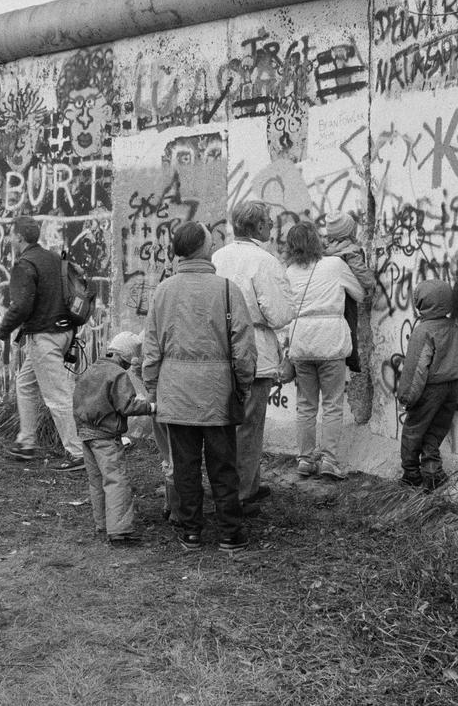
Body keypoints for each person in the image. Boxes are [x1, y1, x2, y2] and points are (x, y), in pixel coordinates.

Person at [143, 221, 255, 553]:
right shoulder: (226, 290)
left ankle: (190, 531)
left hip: (175, 391)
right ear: (204, 249)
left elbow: (151, 347)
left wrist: (152, 387)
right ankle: (230, 533)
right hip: (218, 392)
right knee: (224, 464)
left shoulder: (163, 291)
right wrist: (243, 384)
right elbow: (244, 347)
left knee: (185, 464)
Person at [212, 201, 294, 515]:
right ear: (258, 227)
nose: (271, 227)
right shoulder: (265, 261)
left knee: (223, 423)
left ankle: (243, 483)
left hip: (219, 348)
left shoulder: (217, 257)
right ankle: (242, 492)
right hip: (255, 348)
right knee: (249, 424)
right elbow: (279, 313)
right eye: (268, 222)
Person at [0, 215, 84, 471]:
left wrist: (2, 331)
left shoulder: (24, 264)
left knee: (57, 396)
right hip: (64, 334)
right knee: (25, 383)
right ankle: (26, 442)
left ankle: (77, 453)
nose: (11, 239)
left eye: (12, 235)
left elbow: (21, 306)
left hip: (45, 337)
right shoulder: (54, 258)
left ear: (19, 238)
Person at [282, 222, 364, 481]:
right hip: (331, 343)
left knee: (305, 405)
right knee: (332, 404)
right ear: (317, 241)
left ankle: (305, 459)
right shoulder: (334, 265)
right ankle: (328, 459)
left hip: (302, 344)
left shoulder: (289, 272)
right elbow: (360, 294)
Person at [73, 331, 156, 545]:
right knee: (116, 480)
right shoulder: (117, 375)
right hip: (106, 437)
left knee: (96, 481)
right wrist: (151, 407)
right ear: (126, 357)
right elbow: (126, 406)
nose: (130, 366)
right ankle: (120, 530)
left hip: (86, 435)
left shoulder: (91, 369)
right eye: (130, 361)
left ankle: (102, 523)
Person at [395, 279, 458, 490]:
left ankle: (411, 474)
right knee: (435, 430)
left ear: (421, 301)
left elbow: (416, 367)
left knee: (413, 429)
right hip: (452, 387)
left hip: (430, 388)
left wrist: (407, 397)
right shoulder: (454, 328)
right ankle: (433, 472)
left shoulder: (423, 331)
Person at [321, 214, 374, 373]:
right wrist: (371, 283)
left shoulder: (324, 249)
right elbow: (359, 270)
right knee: (350, 324)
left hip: (327, 294)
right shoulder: (349, 250)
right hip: (346, 295)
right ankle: (352, 358)